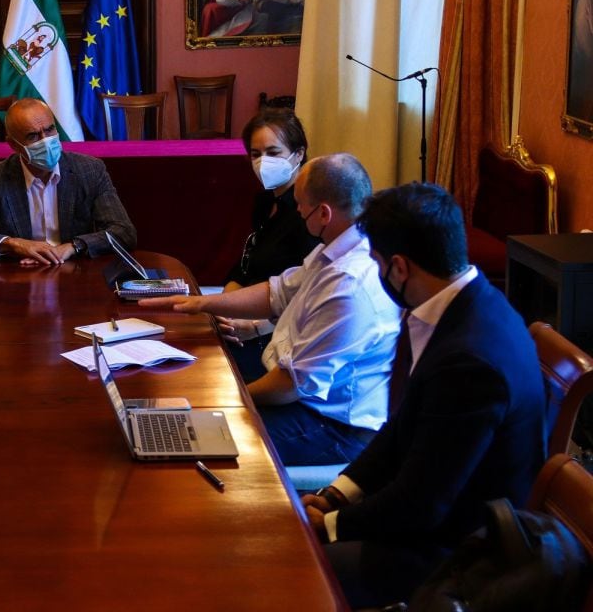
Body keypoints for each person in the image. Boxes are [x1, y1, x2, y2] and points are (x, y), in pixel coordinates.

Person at [300, 183, 546, 608]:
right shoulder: (462, 303)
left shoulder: (469, 362)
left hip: (460, 554)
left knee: (291, 567)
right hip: (429, 521)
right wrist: (335, 495)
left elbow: (421, 505)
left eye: (375, 262)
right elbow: (400, 429)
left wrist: (332, 525)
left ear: (399, 268)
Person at [140, 154, 400, 466]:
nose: (298, 209)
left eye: (301, 203)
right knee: (187, 385)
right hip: (292, 390)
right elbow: (277, 292)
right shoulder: (336, 248)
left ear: (324, 214)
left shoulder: (350, 284)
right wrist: (200, 303)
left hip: (331, 425)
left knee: (193, 433)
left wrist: (226, 398)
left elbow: (292, 385)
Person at [0, 98, 137, 265]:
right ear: (14, 145)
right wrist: (13, 244)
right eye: (33, 136)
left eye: (49, 130)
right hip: (18, 278)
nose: (45, 141)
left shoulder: (89, 170)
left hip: (75, 272)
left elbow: (124, 232)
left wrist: (73, 246)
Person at [217, 108, 319, 382]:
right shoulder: (265, 201)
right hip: (247, 318)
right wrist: (225, 309)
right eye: (256, 154)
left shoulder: (307, 214)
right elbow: (246, 267)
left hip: (280, 332)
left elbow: (308, 292)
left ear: (298, 154)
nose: (263, 162)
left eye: (274, 153)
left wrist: (255, 326)